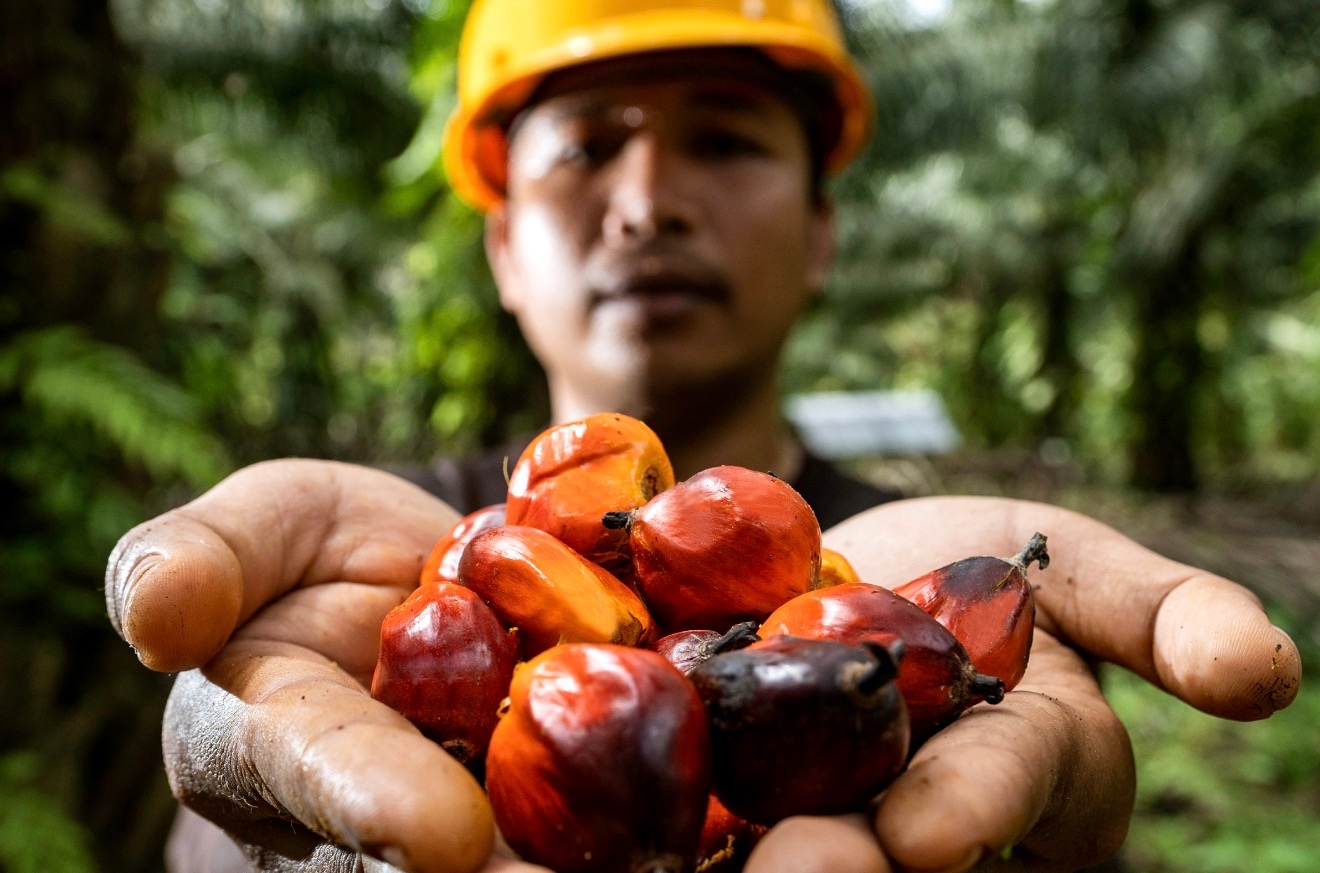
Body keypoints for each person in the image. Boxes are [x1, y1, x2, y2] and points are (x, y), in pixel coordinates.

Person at [105, 2, 1302, 872]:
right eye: (585, 146)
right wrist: (246, 822)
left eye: (725, 139)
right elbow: (222, 816)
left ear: (824, 231)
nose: (648, 201)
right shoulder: (392, 555)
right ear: (504, 247)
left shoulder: (873, 554)